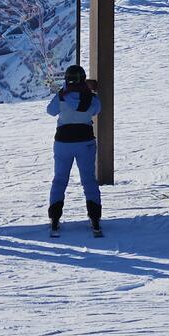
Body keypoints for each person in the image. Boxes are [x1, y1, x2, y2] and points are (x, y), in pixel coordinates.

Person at [46, 64, 103, 236]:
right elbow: (96, 110)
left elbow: (50, 111)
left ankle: (55, 218)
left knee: (60, 180)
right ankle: (94, 218)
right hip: (85, 140)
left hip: (63, 141)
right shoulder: (91, 98)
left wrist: (63, 92)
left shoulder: (62, 96)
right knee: (89, 180)